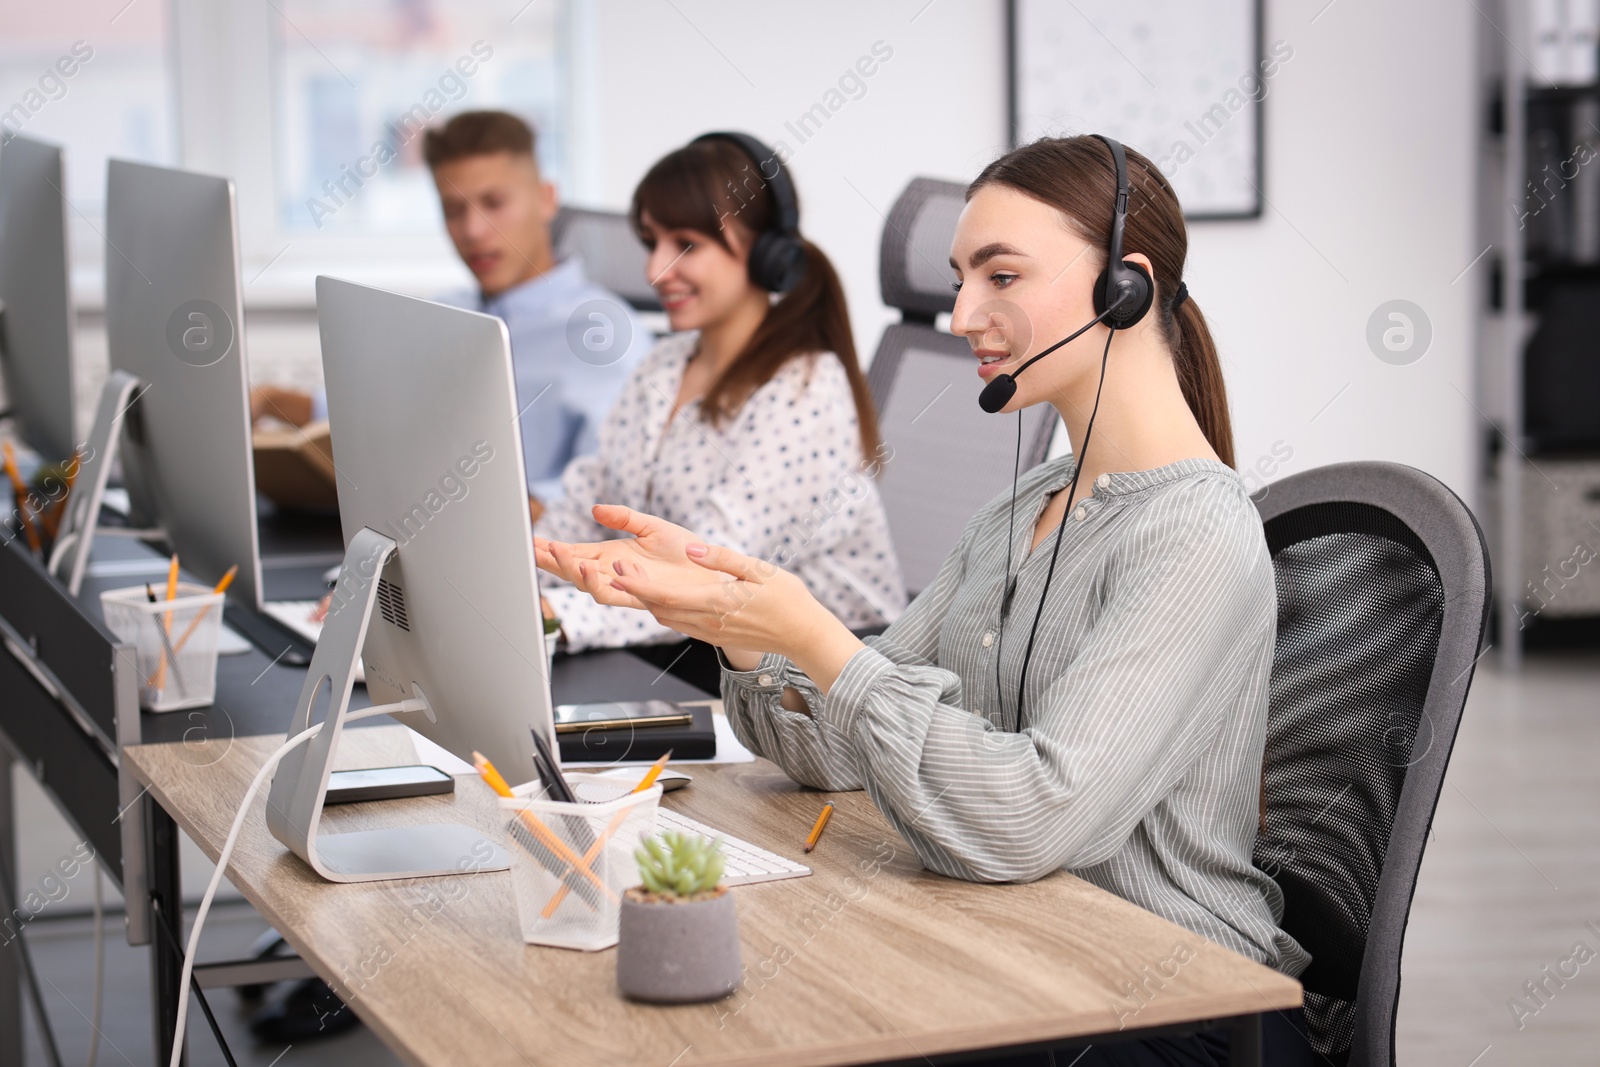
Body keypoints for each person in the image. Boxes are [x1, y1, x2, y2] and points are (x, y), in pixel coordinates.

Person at [534, 135, 1314, 1067]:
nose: (960, 315)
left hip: (1171, 1002)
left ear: (1126, 287)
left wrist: (824, 641)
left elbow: (1031, 815)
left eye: (1002, 275)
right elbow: (832, 752)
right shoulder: (1019, 511)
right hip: (1027, 950)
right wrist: (732, 621)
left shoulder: (1195, 533)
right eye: (958, 279)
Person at [535, 132, 906, 657]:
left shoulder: (806, 390)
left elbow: (704, 577)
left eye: (685, 244)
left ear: (766, 255)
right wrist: (520, 578)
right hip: (683, 650)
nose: (655, 269)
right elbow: (588, 502)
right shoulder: (664, 365)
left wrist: (550, 619)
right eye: (651, 242)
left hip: (804, 688)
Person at [250, 110, 647, 507]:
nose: (473, 231)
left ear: (546, 199)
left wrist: (499, 515)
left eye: (494, 203)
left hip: (534, 554)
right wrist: (269, 401)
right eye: (454, 211)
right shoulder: (441, 317)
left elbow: (612, 491)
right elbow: (367, 406)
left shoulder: (607, 336)